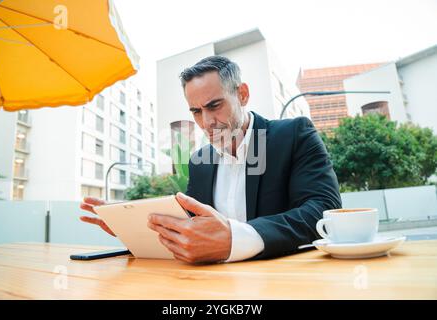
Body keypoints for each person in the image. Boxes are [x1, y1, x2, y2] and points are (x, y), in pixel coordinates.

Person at [80, 56, 341, 264]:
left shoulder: (294, 134)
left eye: (215, 105)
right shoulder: (200, 161)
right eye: (196, 111)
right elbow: (191, 227)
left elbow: (324, 210)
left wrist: (237, 238)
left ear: (242, 94)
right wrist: (130, 227)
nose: (207, 122)